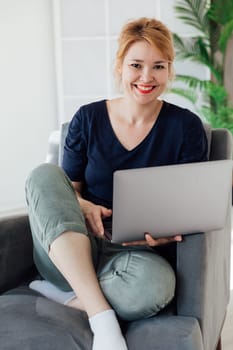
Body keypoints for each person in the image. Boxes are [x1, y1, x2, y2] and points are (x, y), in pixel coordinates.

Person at [25, 17, 208, 350]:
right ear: (120, 67)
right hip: (72, 247)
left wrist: (165, 233)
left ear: (170, 71)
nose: (146, 77)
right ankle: (103, 321)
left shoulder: (186, 127)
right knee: (43, 174)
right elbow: (70, 192)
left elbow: (190, 202)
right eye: (136, 65)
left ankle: (73, 297)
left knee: (155, 289)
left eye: (158, 66)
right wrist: (86, 206)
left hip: (133, 259)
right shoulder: (88, 119)